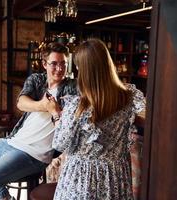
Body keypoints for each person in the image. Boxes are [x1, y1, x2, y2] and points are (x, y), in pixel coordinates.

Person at [0, 42, 78, 200]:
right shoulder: (37, 80)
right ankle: (2, 194)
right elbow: (21, 103)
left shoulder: (71, 87)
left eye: (63, 63)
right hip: (12, 142)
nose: (59, 68)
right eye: (54, 63)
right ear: (44, 64)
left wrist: (55, 110)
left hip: (33, 154)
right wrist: (44, 105)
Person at [45, 38, 145, 200]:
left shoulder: (78, 106)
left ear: (83, 70)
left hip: (82, 179)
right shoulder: (129, 97)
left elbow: (60, 143)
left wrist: (56, 114)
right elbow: (144, 114)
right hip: (115, 177)